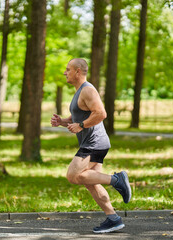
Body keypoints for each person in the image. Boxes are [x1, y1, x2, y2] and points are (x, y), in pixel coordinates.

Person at [50, 58, 132, 234]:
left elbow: (101, 113)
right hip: (93, 142)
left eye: (68, 69)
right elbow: (78, 118)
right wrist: (63, 122)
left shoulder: (87, 90)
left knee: (73, 175)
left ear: (78, 71)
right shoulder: (79, 92)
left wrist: (82, 125)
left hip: (94, 142)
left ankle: (117, 180)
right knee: (91, 182)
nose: (65, 72)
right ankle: (113, 219)